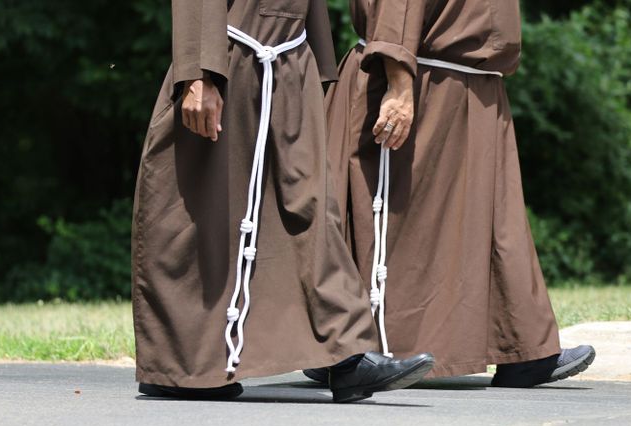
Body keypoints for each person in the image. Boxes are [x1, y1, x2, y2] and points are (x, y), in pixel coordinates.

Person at [131, 0, 435, 402]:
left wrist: (314, 60)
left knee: (311, 207)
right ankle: (179, 365)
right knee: (200, 215)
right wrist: (196, 73)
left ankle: (344, 356)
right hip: (225, 59)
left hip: (292, 61)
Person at [312, 0, 595, 388]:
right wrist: (398, 83)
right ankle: (344, 350)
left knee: (496, 217)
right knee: (398, 221)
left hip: (471, 85)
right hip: (423, 80)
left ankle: (524, 349)